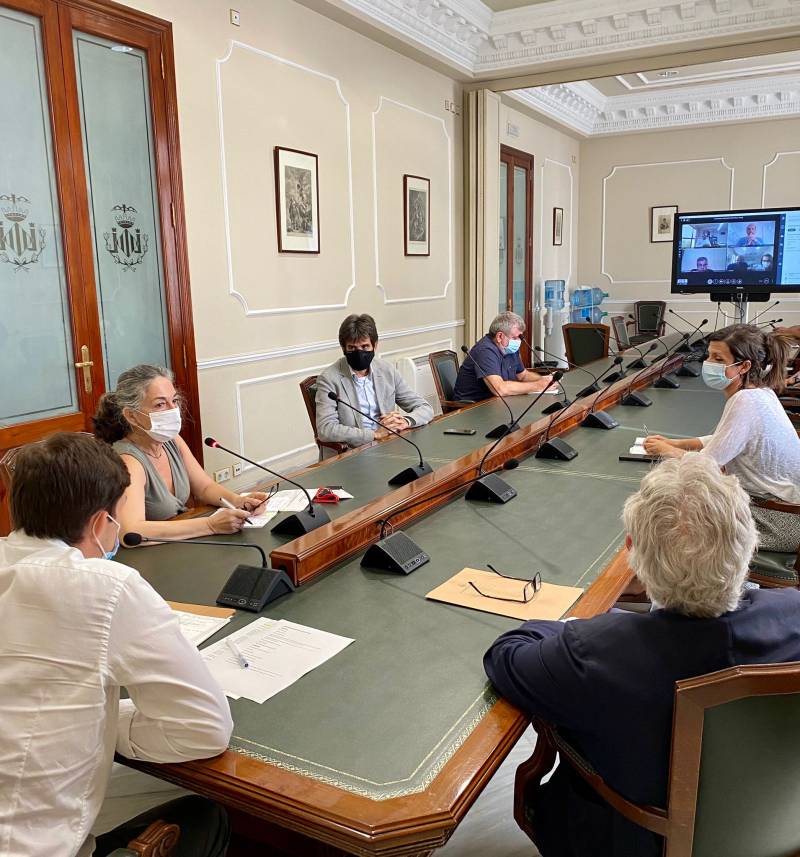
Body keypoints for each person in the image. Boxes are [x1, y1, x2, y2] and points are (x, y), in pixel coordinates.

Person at [484, 454, 800, 857]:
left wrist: (565, 628)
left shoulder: (596, 652)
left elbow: (506, 655)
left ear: (632, 552)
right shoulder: (794, 613)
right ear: (750, 543)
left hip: (632, 841)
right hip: (777, 826)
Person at [0, 432, 233, 857]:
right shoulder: (105, 587)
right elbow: (203, 729)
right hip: (34, 846)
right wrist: (105, 719)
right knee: (210, 816)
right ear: (98, 523)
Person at [644, 324, 800, 550]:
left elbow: (706, 466)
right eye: (708, 356)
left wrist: (666, 451)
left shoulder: (745, 401)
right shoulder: (761, 393)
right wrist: (678, 443)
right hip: (783, 511)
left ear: (744, 366)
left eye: (718, 359)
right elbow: (730, 439)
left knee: (673, 522)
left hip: (778, 520)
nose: (708, 364)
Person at [94, 365, 268, 542]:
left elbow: (204, 487)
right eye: (160, 404)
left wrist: (237, 501)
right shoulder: (128, 461)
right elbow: (131, 531)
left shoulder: (172, 440)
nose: (172, 410)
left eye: (174, 401)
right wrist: (210, 525)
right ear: (132, 416)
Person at [315, 314, 433, 449]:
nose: (359, 353)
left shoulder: (386, 370)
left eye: (365, 347)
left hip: (389, 445)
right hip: (353, 451)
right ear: (343, 349)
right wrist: (374, 434)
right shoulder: (329, 378)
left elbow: (425, 408)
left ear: (375, 345)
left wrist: (404, 421)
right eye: (352, 348)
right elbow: (326, 429)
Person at [452, 311, 549, 403]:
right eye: (514, 338)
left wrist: (545, 380)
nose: (518, 341)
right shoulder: (485, 351)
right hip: (472, 409)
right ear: (499, 336)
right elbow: (500, 389)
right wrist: (538, 386)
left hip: (497, 404)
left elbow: (523, 375)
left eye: (520, 337)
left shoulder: (509, 348)